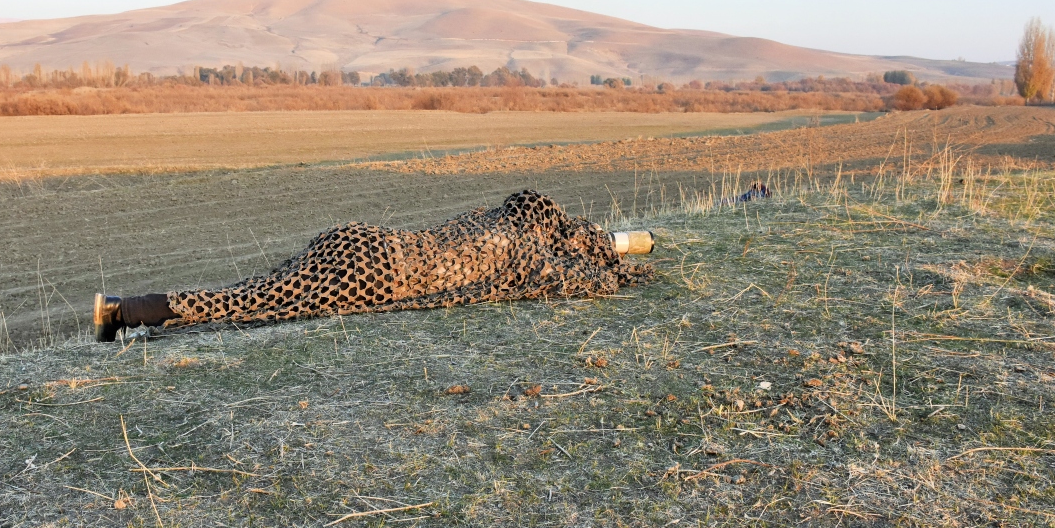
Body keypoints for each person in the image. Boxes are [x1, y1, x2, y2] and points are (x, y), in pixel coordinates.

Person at [94, 190, 653, 341]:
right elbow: (571, 271)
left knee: (253, 290)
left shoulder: (491, 221)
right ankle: (121, 311)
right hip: (380, 273)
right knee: (248, 302)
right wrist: (621, 256)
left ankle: (125, 311)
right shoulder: (521, 253)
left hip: (360, 241)